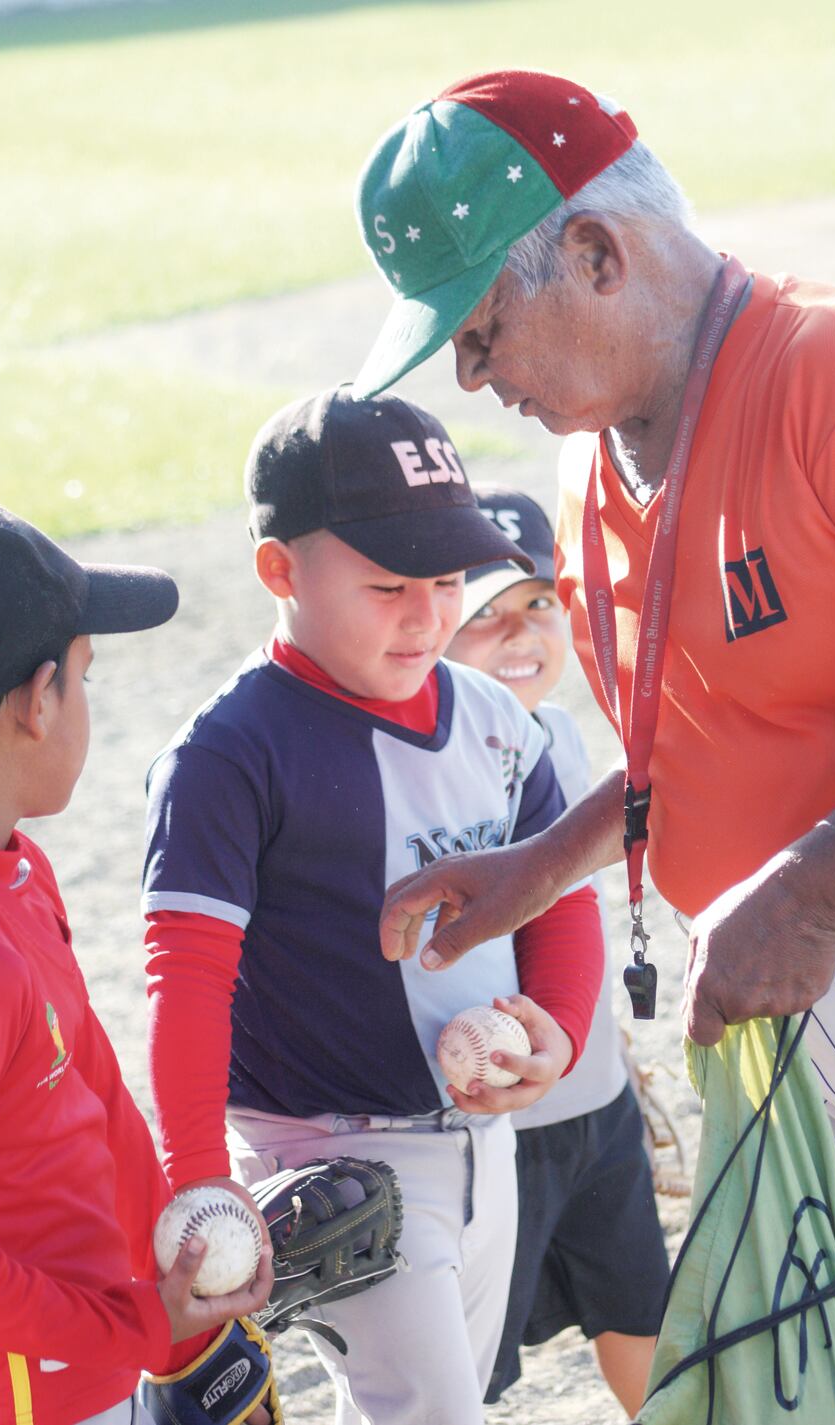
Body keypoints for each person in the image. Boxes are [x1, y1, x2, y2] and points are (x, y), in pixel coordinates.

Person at [352, 68, 835, 1207]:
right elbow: (710, 730)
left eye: (479, 332)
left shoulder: (829, 371)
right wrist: (543, 864)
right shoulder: (589, 450)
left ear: (593, 255)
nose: (471, 377)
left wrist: (812, 896)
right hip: (779, 992)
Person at [141, 383, 606, 1425]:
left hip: (486, 1140)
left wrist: (556, 1033)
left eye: (447, 580)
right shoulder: (230, 752)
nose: (429, 613)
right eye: (389, 584)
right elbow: (186, 979)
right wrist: (193, 1179)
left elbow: (556, 893)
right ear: (278, 570)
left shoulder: (489, 715)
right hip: (330, 1156)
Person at [0, 495, 275, 1425]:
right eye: (85, 672)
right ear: (38, 701)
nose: (85, 700)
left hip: (93, 1358)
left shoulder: (12, 870)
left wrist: (176, 1288)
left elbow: (97, 1105)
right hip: (13, 1400)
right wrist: (140, 1327)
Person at [447, 483, 668, 1417]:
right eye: (485, 615)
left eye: (538, 603)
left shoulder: (572, 735)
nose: (522, 632)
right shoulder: (440, 758)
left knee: (644, 1318)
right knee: (467, 1370)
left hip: (597, 1107)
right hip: (493, 1129)